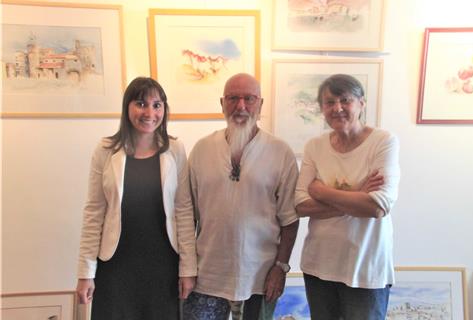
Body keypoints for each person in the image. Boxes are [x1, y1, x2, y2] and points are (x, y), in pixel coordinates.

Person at [76, 77, 197, 319]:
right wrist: (85, 273)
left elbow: (184, 211)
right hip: (115, 264)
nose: (150, 112)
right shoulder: (106, 150)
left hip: (163, 264)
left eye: (157, 105)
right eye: (141, 103)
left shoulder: (175, 149)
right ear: (127, 107)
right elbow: (93, 213)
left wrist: (188, 269)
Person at [183, 73, 299, 320]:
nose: (241, 106)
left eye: (250, 98)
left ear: (261, 104)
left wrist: (281, 269)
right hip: (207, 276)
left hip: (260, 277)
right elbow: (186, 217)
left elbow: (290, 220)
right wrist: (186, 268)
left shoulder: (281, 153)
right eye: (233, 98)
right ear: (222, 103)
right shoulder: (202, 150)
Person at [295, 74, 400, 320]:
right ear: (322, 108)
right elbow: (301, 205)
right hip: (319, 265)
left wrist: (321, 191)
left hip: (366, 269)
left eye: (345, 100)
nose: (337, 108)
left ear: (361, 103)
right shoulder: (315, 146)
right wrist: (357, 194)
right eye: (329, 102)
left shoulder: (383, 142)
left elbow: (377, 207)